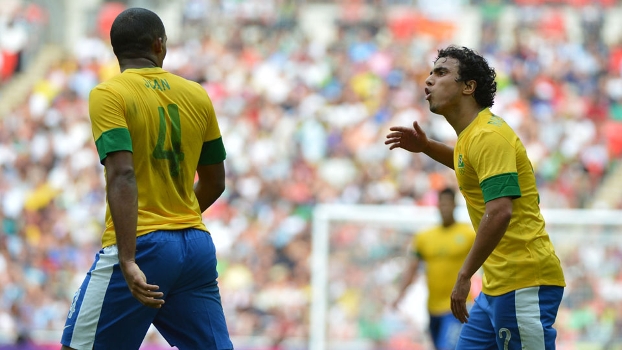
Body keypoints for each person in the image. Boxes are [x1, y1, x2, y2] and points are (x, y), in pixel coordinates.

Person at [60, 8, 233, 350]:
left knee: (78, 347)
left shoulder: (109, 94)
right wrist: (175, 220)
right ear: (159, 45)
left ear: (116, 51)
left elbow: (122, 173)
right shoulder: (197, 95)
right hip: (195, 246)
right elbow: (215, 182)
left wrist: (127, 258)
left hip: (142, 244)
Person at [385, 46, 566, 349]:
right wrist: (426, 146)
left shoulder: (488, 135)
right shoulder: (471, 136)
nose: (428, 80)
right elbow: (464, 162)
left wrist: (464, 274)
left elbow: (500, 212)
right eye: (431, 72)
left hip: (524, 280)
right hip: (497, 286)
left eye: (441, 72)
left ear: (469, 87)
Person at [392, 187, 475, 350]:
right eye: (441, 203)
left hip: (457, 307)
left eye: (448, 204)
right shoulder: (424, 237)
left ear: (454, 206)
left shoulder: (468, 234)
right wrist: (400, 294)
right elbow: (412, 269)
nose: (444, 207)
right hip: (432, 308)